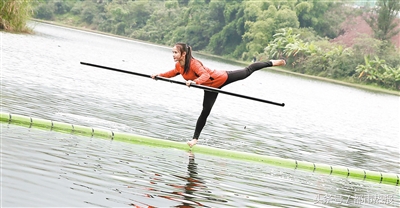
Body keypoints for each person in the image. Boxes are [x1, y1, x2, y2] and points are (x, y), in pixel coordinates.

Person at [151, 42, 286, 148]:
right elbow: (171, 73)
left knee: (247, 71)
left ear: (184, 54)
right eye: (172, 52)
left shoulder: (194, 64)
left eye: (175, 52)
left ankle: (272, 62)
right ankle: (194, 140)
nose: (173, 55)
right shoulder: (178, 66)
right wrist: (158, 75)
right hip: (210, 88)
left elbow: (206, 75)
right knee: (205, 112)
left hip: (221, 77)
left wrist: (195, 82)